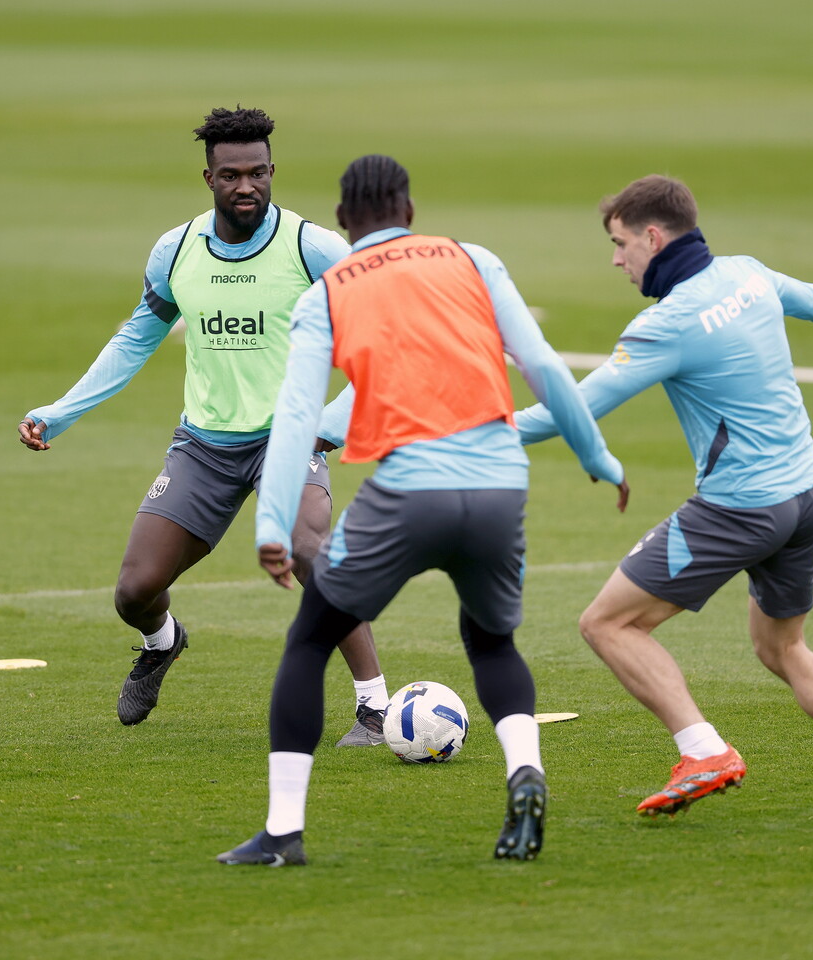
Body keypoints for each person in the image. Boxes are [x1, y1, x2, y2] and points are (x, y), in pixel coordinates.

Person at [217, 155, 628, 867]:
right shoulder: (473, 258)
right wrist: (599, 459)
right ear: (408, 209)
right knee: (493, 643)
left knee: (312, 641)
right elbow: (543, 366)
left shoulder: (329, 292)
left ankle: (283, 830)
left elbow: (295, 420)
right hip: (501, 486)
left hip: (407, 494)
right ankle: (524, 774)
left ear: (345, 223)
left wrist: (270, 524)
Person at [516, 174, 813, 818]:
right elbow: (803, 296)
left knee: (607, 623)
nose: (616, 260)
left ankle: (703, 749)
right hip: (807, 496)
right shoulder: (745, 273)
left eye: (619, 244)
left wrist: (474, 430)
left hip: (740, 508)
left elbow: (573, 412)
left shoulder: (665, 324)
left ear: (653, 236)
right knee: (783, 647)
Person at [18, 107, 390, 745]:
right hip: (204, 447)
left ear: (273, 172)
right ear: (208, 178)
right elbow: (137, 336)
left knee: (309, 552)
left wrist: (328, 422)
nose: (247, 187)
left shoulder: (314, 248)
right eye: (231, 175)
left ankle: (374, 707)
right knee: (134, 590)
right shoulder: (177, 250)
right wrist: (60, 410)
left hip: (287, 439)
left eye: (259, 173)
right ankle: (162, 643)